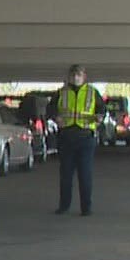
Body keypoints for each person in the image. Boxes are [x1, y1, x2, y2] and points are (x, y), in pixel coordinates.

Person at [50, 64, 103, 216]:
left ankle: (86, 208)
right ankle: (64, 206)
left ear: (84, 76)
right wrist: (55, 117)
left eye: (78, 75)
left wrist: (99, 117)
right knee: (66, 174)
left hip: (85, 137)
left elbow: (101, 109)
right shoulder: (62, 92)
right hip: (66, 137)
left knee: (85, 174)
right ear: (69, 76)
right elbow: (51, 109)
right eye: (73, 75)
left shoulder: (92, 93)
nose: (75, 77)